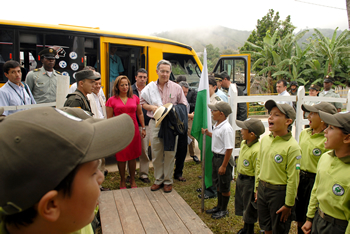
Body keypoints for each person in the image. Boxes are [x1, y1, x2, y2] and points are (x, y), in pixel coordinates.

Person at [0, 106, 135, 234]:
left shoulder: (66, 220)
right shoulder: (72, 222)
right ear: (51, 205)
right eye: (94, 172)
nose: (101, 178)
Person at [140, 59, 188, 193]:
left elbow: (183, 105)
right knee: (156, 152)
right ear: (157, 71)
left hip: (171, 125)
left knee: (170, 153)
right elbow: (142, 103)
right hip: (155, 122)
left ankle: (168, 181)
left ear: (170, 72)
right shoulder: (150, 88)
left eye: (167, 71)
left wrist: (172, 109)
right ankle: (158, 180)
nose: (165, 74)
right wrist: (153, 107)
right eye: (162, 71)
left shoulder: (176, 87)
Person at [255, 100, 301, 234]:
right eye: (270, 114)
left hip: (279, 193)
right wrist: (257, 187)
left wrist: (288, 204)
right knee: (266, 226)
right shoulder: (265, 140)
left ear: (288, 121)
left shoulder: (292, 147)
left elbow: (293, 178)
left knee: (279, 228)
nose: (270, 117)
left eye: (276, 115)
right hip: (263, 189)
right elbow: (259, 164)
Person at [302, 111, 350, 234]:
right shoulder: (325, 158)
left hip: (339, 227)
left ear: (347, 138)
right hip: (319, 219)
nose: (325, 131)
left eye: (331, 128)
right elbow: (316, 189)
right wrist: (310, 218)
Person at [295, 102, 337, 234]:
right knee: (299, 214)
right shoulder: (304, 133)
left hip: (315, 181)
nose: (308, 117)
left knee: (311, 215)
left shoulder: (327, 141)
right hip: (301, 178)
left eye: (313, 114)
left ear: (324, 118)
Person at [106, 75, 146, 189]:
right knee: (121, 157)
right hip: (120, 131)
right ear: (117, 86)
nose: (125, 87)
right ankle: (122, 180)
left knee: (133, 156)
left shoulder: (135, 98)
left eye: (127, 84)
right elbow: (109, 118)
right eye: (122, 85)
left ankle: (132, 179)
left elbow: (140, 113)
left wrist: (143, 127)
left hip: (133, 130)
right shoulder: (111, 100)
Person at [202, 101, 234, 219]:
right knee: (219, 184)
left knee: (224, 185)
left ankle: (224, 209)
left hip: (223, 159)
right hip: (216, 158)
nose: (211, 112)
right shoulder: (217, 125)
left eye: (214, 111)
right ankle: (219, 206)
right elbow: (217, 136)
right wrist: (208, 133)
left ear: (221, 114)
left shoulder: (226, 128)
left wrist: (224, 165)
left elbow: (229, 149)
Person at [235, 118, 265, 234]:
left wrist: (256, 188)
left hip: (249, 181)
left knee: (249, 207)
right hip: (241, 179)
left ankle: (249, 230)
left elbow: (258, 171)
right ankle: (245, 227)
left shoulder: (257, 150)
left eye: (243, 129)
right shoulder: (244, 143)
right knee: (243, 204)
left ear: (252, 134)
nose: (241, 131)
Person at [132, 68, 151, 184]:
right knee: (132, 150)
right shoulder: (129, 89)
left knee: (144, 150)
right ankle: (131, 174)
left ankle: (144, 174)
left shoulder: (150, 90)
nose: (142, 79)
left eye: (144, 77)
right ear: (136, 78)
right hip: (133, 124)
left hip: (146, 124)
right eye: (140, 77)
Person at [219, 71, 247, 148]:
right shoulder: (226, 91)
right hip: (229, 123)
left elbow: (243, 109)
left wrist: (238, 124)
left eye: (221, 81)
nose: (220, 84)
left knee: (236, 144)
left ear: (225, 79)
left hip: (236, 124)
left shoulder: (236, 90)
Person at [176, 76, 199, 163]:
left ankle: (192, 154)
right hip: (179, 119)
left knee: (190, 134)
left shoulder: (193, 92)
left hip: (189, 117)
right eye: (183, 92)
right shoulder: (174, 95)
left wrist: (191, 113)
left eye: (186, 92)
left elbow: (195, 103)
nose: (185, 94)